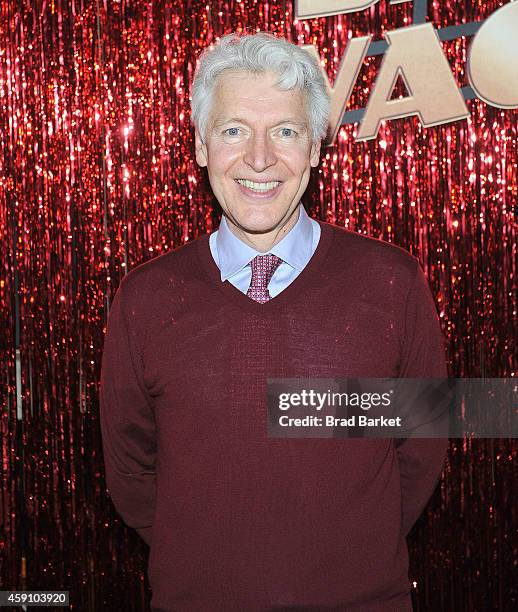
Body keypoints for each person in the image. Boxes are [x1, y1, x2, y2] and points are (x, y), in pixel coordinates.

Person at [99, 31, 448, 611]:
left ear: (314, 147)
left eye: (284, 131)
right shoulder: (145, 298)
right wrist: (206, 560)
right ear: (202, 146)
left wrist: (350, 559)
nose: (259, 158)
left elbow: (422, 447)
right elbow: (131, 470)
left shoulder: (392, 284)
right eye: (234, 130)